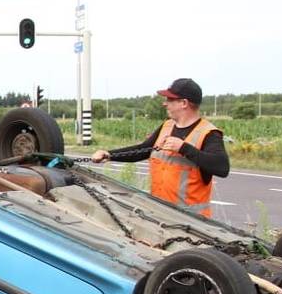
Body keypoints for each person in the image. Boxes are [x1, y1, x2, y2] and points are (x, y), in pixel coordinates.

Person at [91, 78, 228, 217]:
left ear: (184, 103)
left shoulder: (208, 133)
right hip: (159, 214)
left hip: (192, 223)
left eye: (169, 99)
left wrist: (183, 148)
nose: (165, 104)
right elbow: (143, 150)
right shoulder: (167, 126)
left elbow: (222, 167)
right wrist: (109, 154)